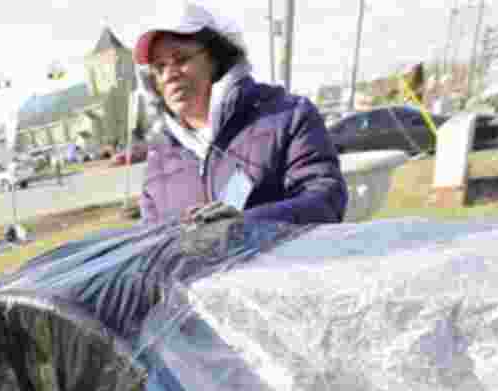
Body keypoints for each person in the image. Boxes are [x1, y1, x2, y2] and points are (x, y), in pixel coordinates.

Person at [134, 2, 348, 226]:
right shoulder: (159, 155)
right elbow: (150, 239)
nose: (169, 75)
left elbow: (326, 201)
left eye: (181, 59)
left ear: (215, 58)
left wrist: (246, 224)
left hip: (283, 261)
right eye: (159, 67)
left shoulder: (289, 116)